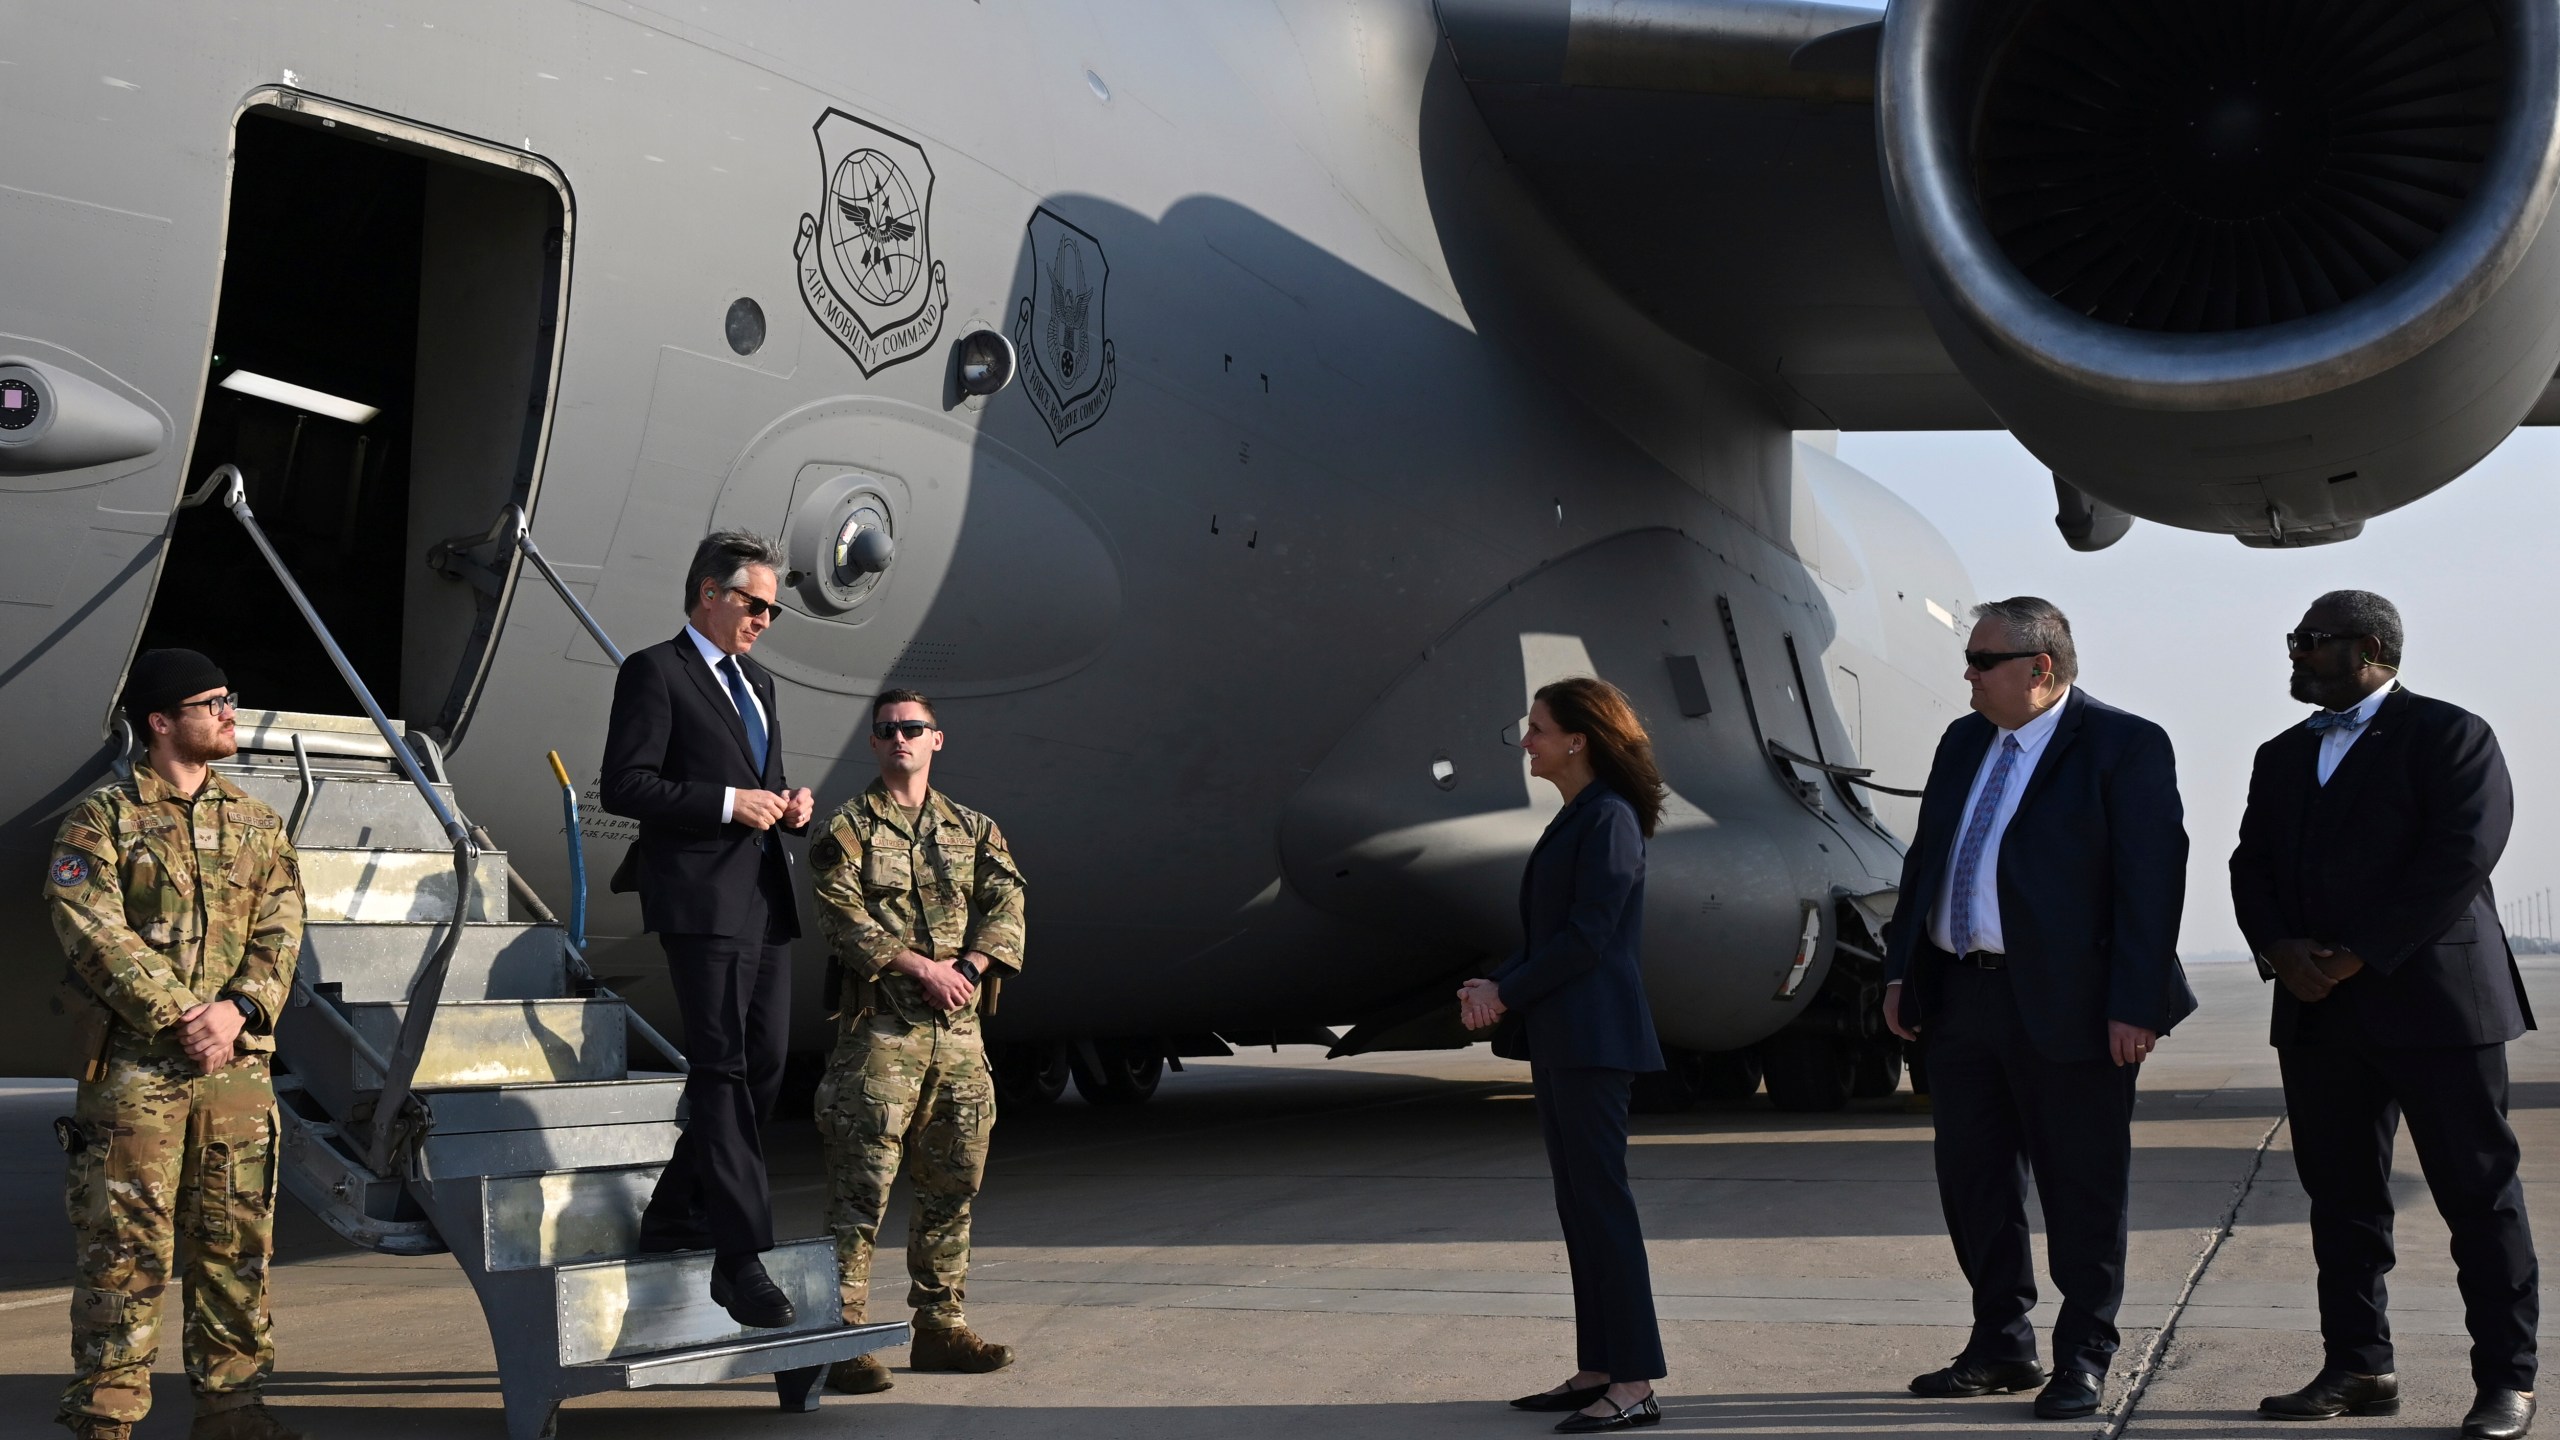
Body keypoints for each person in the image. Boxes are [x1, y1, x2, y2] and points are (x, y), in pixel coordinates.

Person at [2231, 591, 2539, 1440]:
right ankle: (2360, 1365)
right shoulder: (2281, 754)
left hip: (2437, 1008)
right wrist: (2281, 951)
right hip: (2318, 1011)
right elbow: (2249, 863)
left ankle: (2506, 1381)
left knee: (2479, 1198)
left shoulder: (2450, 734)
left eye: (2311, 642)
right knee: (2342, 1201)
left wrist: (2360, 950)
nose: (2293, 654)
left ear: (2367, 647)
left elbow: (2462, 853)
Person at [1880, 597, 2194, 1421]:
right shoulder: (1962, 742)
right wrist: (1898, 973)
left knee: (2081, 1187)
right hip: (1962, 997)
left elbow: (2151, 885)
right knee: (1973, 1181)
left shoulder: (2123, 745)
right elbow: (1927, 865)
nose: (1969, 675)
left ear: (2041, 669)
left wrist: (2137, 1006)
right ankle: (1999, 1345)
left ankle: (2084, 1356)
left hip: (2076, 1009)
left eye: (1983, 662)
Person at [46, 649, 304, 1440]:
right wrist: (183, 1015)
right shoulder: (103, 819)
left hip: (236, 1072)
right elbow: (89, 926)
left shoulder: (257, 823)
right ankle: (106, 1421)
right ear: (161, 721)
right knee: (124, 1258)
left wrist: (239, 1010)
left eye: (231, 698)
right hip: (136, 1076)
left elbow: (283, 926)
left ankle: (233, 1414)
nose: (231, 713)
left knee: (237, 1248)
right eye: (213, 702)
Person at [600, 531, 816, 1328]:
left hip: (761, 894)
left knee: (762, 1065)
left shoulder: (758, 681)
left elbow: (766, 781)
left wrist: (786, 804)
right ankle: (739, 1258)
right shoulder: (655, 671)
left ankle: (674, 1212)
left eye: (772, 608)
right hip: (700, 900)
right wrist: (727, 803)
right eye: (755, 604)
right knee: (723, 1067)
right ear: (708, 594)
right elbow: (626, 783)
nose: (765, 619)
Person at [1459, 676, 1670, 1434]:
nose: (1527, 743)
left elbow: (1587, 939)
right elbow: (1552, 937)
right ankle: (1600, 1368)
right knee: (1579, 1205)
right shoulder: (1581, 817)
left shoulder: (1607, 819)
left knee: (1602, 1205)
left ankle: (1636, 1381)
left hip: (1594, 1036)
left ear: (1577, 739)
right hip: (1565, 1035)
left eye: (1538, 729)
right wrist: (1498, 979)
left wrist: (1504, 995)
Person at [808, 688, 1026, 1393]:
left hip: (960, 1040)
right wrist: (921, 968)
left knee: (951, 1189)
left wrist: (966, 968)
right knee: (859, 1193)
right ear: (873, 744)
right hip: (881, 1038)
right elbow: (841, 913)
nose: (900, 738)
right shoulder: (847, 827)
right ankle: (843, 1340)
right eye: (887, 730)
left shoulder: (974, 828)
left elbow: (1008, 903)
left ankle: (940, 1329)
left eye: (913, 728)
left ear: (937, 739)